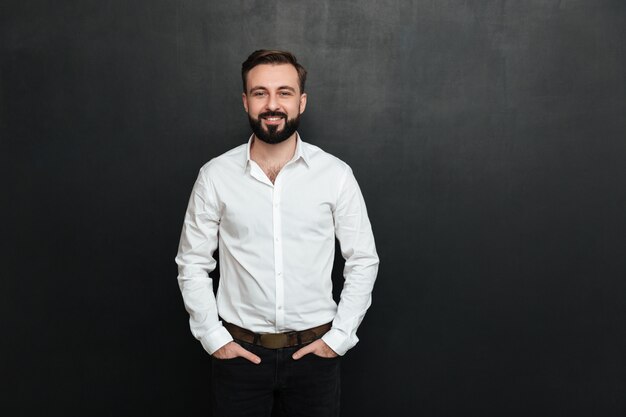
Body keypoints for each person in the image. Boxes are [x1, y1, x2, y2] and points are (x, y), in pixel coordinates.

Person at [175, 49, 379, 417]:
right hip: (239, 359)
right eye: (260, 93)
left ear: (301, 101)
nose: (273, 104)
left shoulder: (335, 174)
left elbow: (363, 260)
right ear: (245, 101)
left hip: (315, 358)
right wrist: (213, 338)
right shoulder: (215, 176)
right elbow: (191, 262)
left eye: (284, 92)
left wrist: (338, 339)